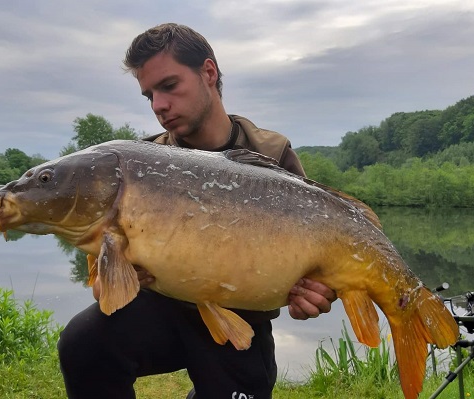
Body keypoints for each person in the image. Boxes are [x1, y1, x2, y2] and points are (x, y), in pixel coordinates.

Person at [57, 23, 338, 399]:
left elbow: (321, 252)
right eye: (149, 95)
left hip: (241, 320)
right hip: (162, 310)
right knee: (83, 342)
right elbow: (101, 287)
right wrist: (120, 275)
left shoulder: (271, 154)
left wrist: (320, 292)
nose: (159, 105)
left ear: (208, 73)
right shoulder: (140, 164)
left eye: (169, 86)